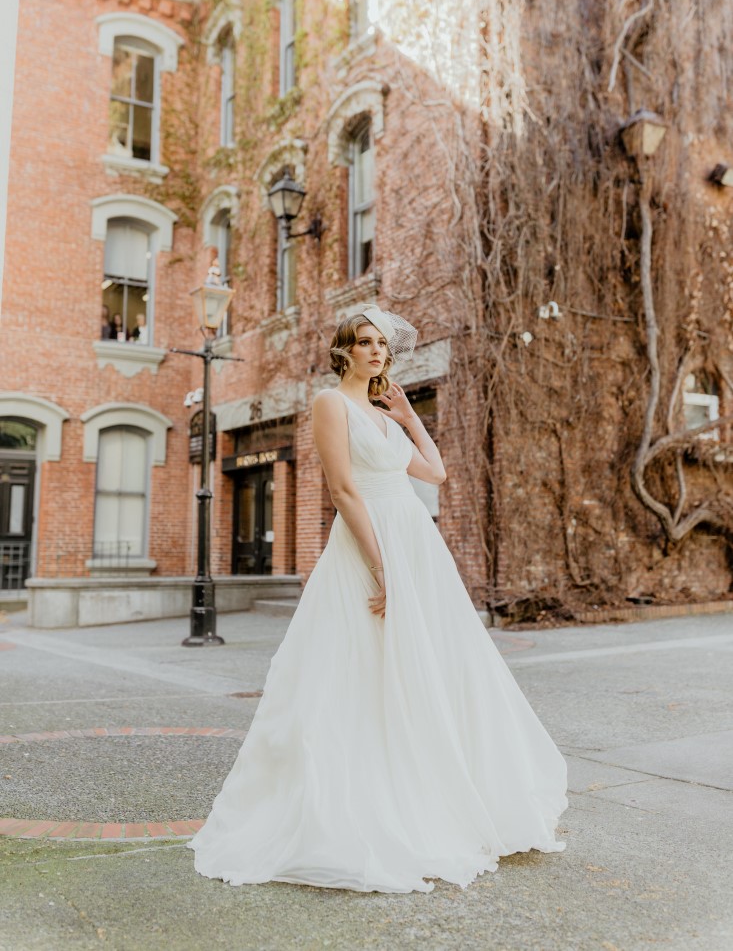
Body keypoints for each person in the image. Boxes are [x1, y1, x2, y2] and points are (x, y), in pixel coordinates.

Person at [188, 304, 567, 894]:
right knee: (358, 665)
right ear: (345, 350)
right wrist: (380, 565)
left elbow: (435, 474)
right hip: (369, 544)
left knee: (429, 663)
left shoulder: (385, 417)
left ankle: (431, 786)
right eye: (366, 342)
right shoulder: (330, 403)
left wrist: (411, 417)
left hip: (416, 544)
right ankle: (357, 797)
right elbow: (343, 490)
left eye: (383, 345)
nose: (377, 352)